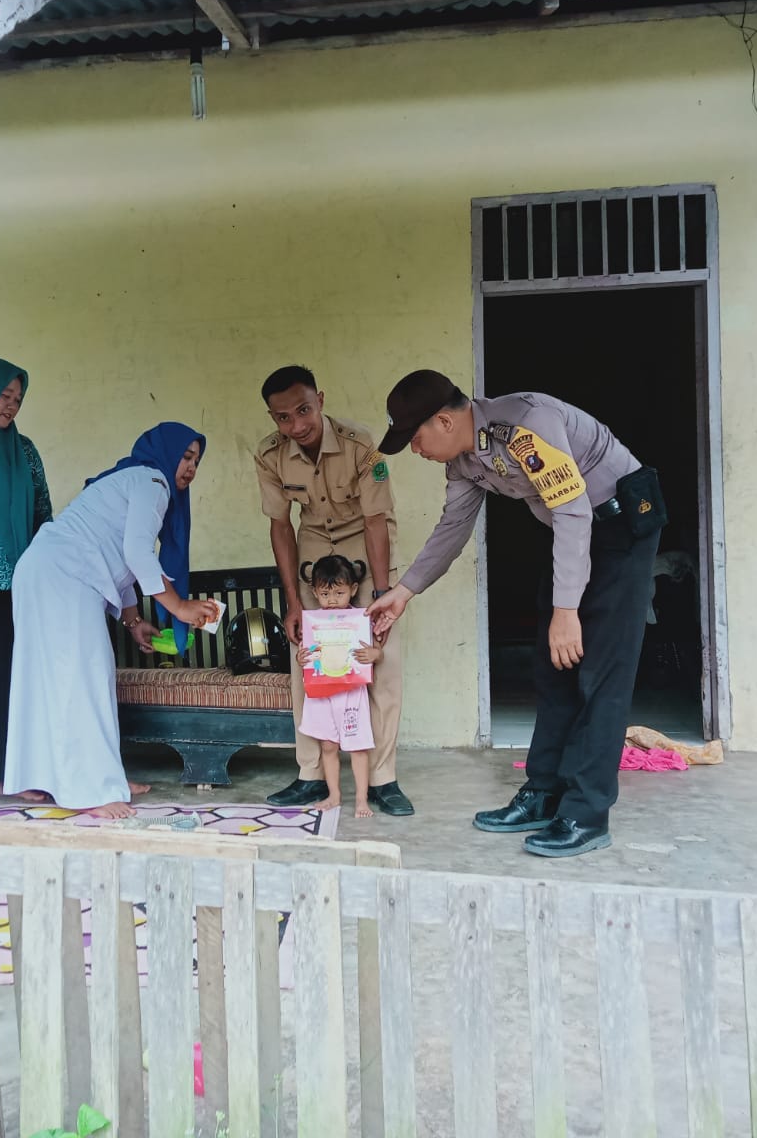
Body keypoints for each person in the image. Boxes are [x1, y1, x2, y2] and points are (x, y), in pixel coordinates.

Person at [367, 371, 665, 858]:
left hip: (620, 524)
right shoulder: (464, 461)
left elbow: (572, 510)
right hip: (574, 533)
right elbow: (454, 526)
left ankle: (586, 815)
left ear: (444, 421)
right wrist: (403, 592)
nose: (415, 450)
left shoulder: (528, 425)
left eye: (415, 438)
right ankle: (544, 792)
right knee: (553, 667)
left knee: (599, 673)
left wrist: (566, 611)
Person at [3, 423, 221, 818]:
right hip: (63, 576)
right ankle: (95, 789)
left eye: (196, 460)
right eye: (186, 457)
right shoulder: (153, 481)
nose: (191, 467)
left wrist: (133, 618)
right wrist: (180, 608)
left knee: (48, 678)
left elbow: (116, 556)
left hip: (44, 571)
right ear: (167, 453)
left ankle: (72, 777)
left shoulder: (130, 480)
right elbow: (137, 554)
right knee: (87, 677)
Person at [254, 366, 414, 816]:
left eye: (303, 410)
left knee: (380, 662)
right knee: (308, 664)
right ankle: (310, 776)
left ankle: (383, 780)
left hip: (365, 546)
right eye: (282, 417)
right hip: (313, 555)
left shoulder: (363, 445)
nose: (296, 425)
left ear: (320, 400)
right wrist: (293, 604)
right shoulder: (270, 455)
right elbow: (280, 526)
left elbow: (376, 520)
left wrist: (381, 596)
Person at [0, 357, 52, 786]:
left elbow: (43, 511)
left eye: (18, 399)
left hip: (21, 583)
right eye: (4, 396)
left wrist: (45, 568)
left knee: (16, 676)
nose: (11, 406)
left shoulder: (25, 451)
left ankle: (17, 767)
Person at [297, 555, 384, 819]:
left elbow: (376, 651)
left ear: (353, 589)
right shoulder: (312, 623)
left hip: (351, 693)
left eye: (339, 592)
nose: (332, 599)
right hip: (321, 693)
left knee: (357, 747)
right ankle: (334, 795)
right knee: (327, 746)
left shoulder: (361, 620)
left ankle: (361, 799)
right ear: (314, 592)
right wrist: (300, 658)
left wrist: (374, 655)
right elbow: (306, 655)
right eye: (325, 593)